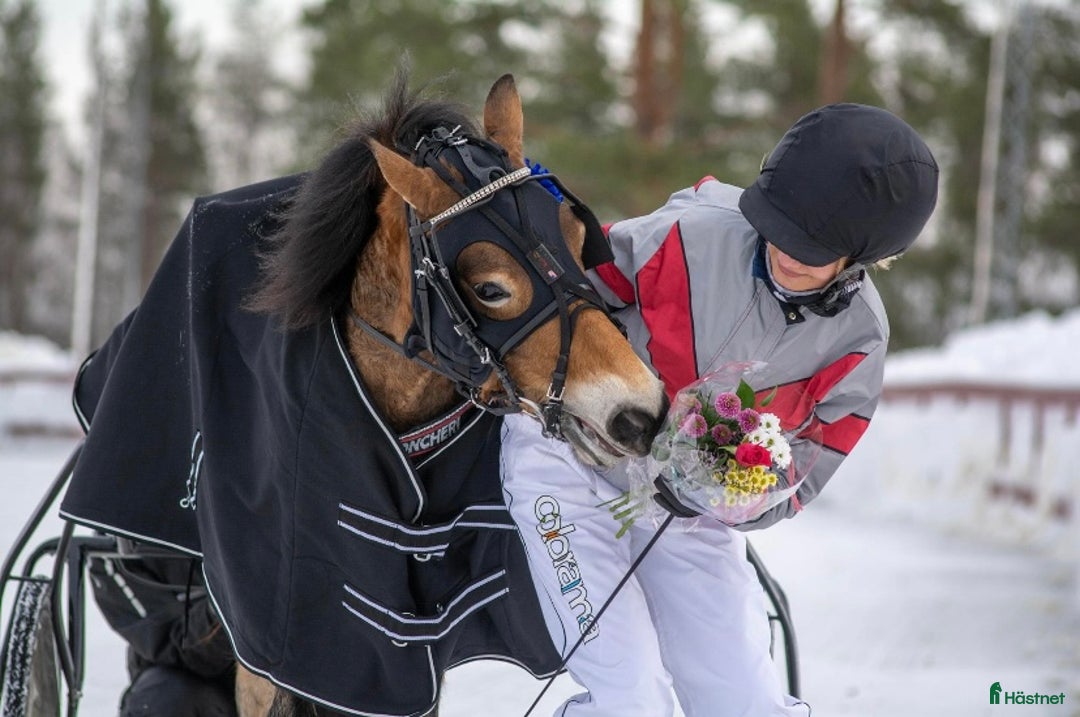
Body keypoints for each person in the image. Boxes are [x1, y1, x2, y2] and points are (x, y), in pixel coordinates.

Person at [501, 103, 939, 715]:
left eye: (813, 246)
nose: (788, 250)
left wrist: (732, 494)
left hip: (688, 514)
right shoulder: (686, 235)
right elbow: (560, 312)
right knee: (631, 693)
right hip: (566, 465)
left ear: (863, 256)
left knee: (745, 700)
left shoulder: (857, 342)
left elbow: (803, 471)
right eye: (780, 225)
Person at [88, 541, 237, 717]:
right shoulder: (118, 532)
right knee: (165, 699)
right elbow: (173, 642)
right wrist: (226, 607)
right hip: (200, 684)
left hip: (271, 676)